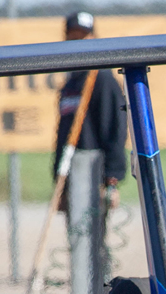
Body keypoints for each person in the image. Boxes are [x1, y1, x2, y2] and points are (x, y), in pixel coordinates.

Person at [53, 11, 127, 214]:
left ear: (93, 37)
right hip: (71, 173)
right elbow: (62, 136)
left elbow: (115, 127)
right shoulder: (70, 84)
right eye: (73, 36)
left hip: (95, 171)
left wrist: (112, 179)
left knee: (91, 235)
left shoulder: (102, 79)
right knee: (77, 235)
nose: (78, 41)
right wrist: (59, 181)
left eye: (83, 36)